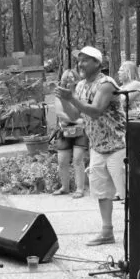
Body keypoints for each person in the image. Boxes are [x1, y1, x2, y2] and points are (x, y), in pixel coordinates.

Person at [56, 46, 125, 246]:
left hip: (117, 146)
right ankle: (107, 232)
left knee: (126, 192)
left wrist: (72, 99)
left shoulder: (106, 83)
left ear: (98, 63)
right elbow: (74, 115)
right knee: (101, 192)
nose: (80, 64)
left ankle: (139, 231)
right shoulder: (80, 86)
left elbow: (95, 111)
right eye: (79, 60)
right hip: (96, 146)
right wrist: (65, 99)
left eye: (85, 60)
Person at [53, 69, 88, 198]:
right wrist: (76, 119)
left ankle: (80, 189)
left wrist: (80, 120)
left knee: (78, 160)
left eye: (72, 77)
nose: (69, 79)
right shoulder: (59, 94)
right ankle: (65, 187)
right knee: (62, 161)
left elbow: (85, 110)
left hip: (80, 131)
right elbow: (60, 113)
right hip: (65, 130)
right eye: (66, 77)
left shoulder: (81, 92)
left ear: (77, 78)